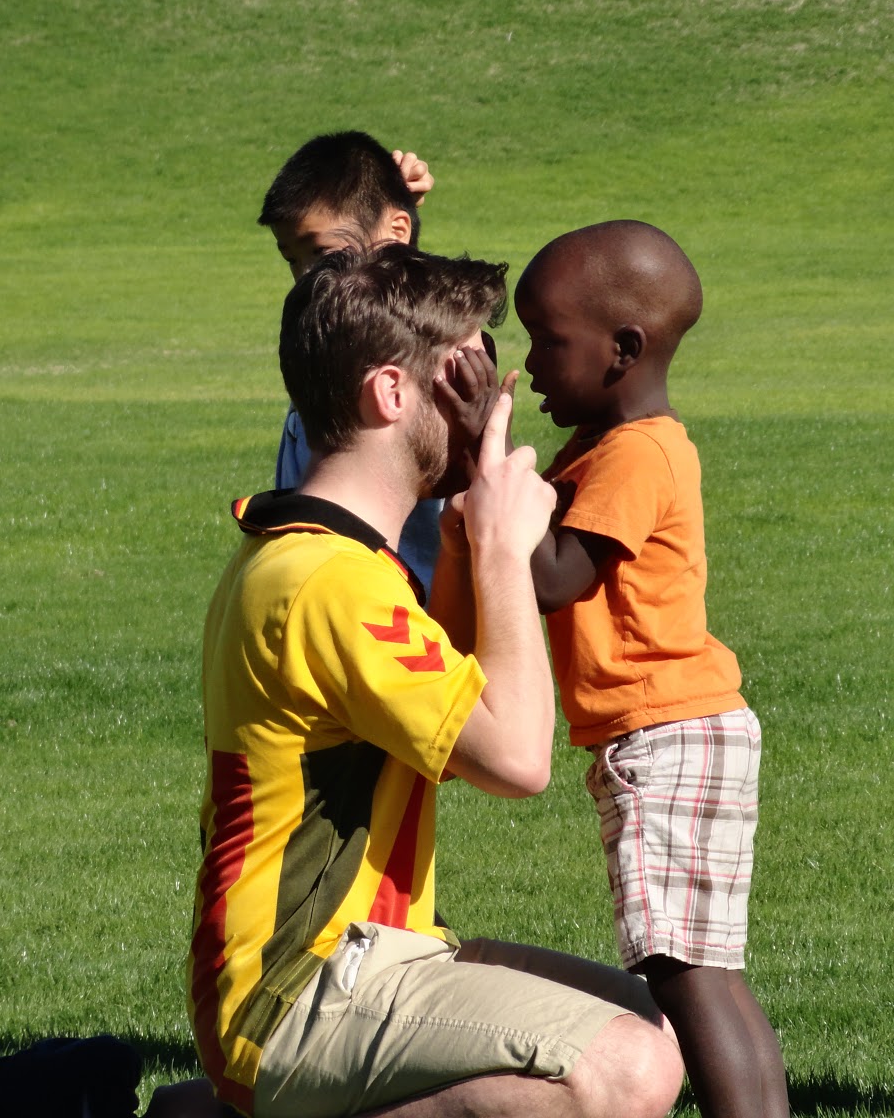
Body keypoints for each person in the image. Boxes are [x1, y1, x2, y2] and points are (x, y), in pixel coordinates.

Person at [160, 243, 684, 1118]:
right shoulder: (328, 583)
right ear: (391, 394)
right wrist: (505, 547)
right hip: (300, 992)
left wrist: (469, 528)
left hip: (381, 954)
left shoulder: (336, 560)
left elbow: (458, 706)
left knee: (658, 1021)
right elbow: (516, 758)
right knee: (627, 1070)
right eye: (463, 374)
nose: (489, 402)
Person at [517, 220, 789, 1118]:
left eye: (548, 341)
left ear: (623, 349)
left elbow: (555, 577)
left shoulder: (634, 452)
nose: (532, 363)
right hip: (679, 729)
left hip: (662, 734)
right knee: (706, 974)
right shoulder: (610, 447)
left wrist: (490, 471)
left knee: (683, 975)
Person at [257, 131, 446, 587]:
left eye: (321, 253)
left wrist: (395, 230)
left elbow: (403, 293)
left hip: (398, 605)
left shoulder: (422, 353)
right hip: (320, 579)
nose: (306, 275)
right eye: (291, 259)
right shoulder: (323, 333)